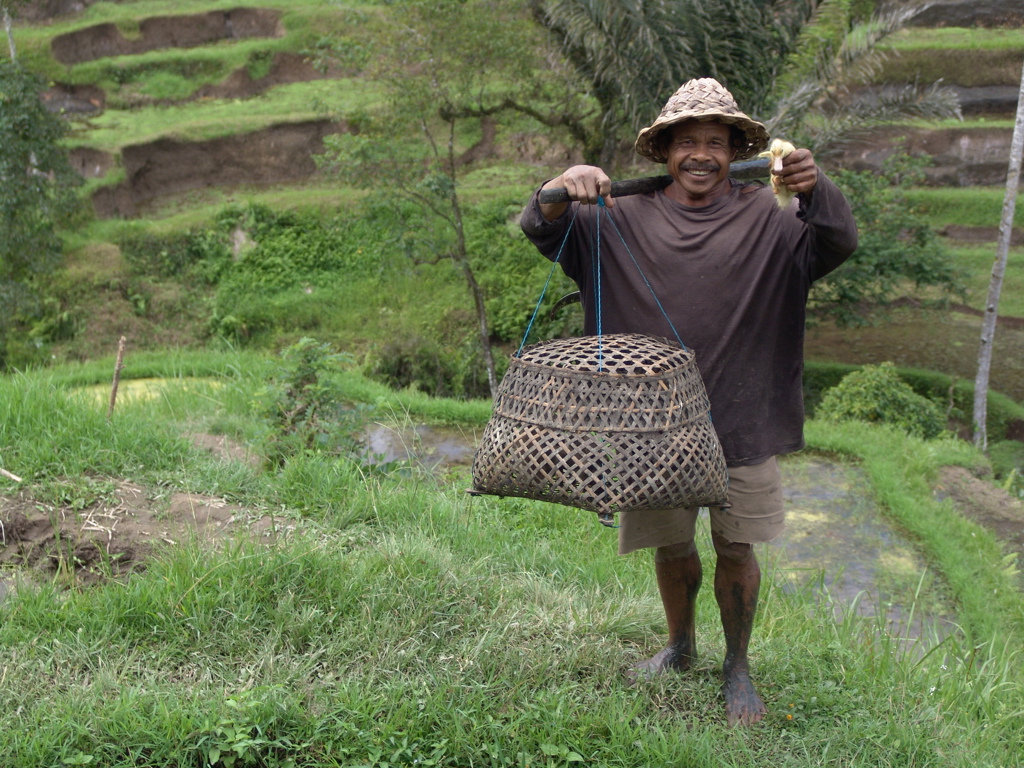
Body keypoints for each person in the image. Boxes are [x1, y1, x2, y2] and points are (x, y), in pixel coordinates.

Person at [519, 78, 858, 726]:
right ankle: (679, 645)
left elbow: (836, 242)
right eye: (687, 143)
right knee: (671, 547)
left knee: (737, 548)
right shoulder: (618, 217)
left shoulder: (769, 218)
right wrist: (565, 184)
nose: (700, 154)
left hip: (743, 419)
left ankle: (738, 666)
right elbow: (540, 224)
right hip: (649, 428)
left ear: (735, 152)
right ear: (664, 152)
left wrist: (817, 189)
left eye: (715, 143)